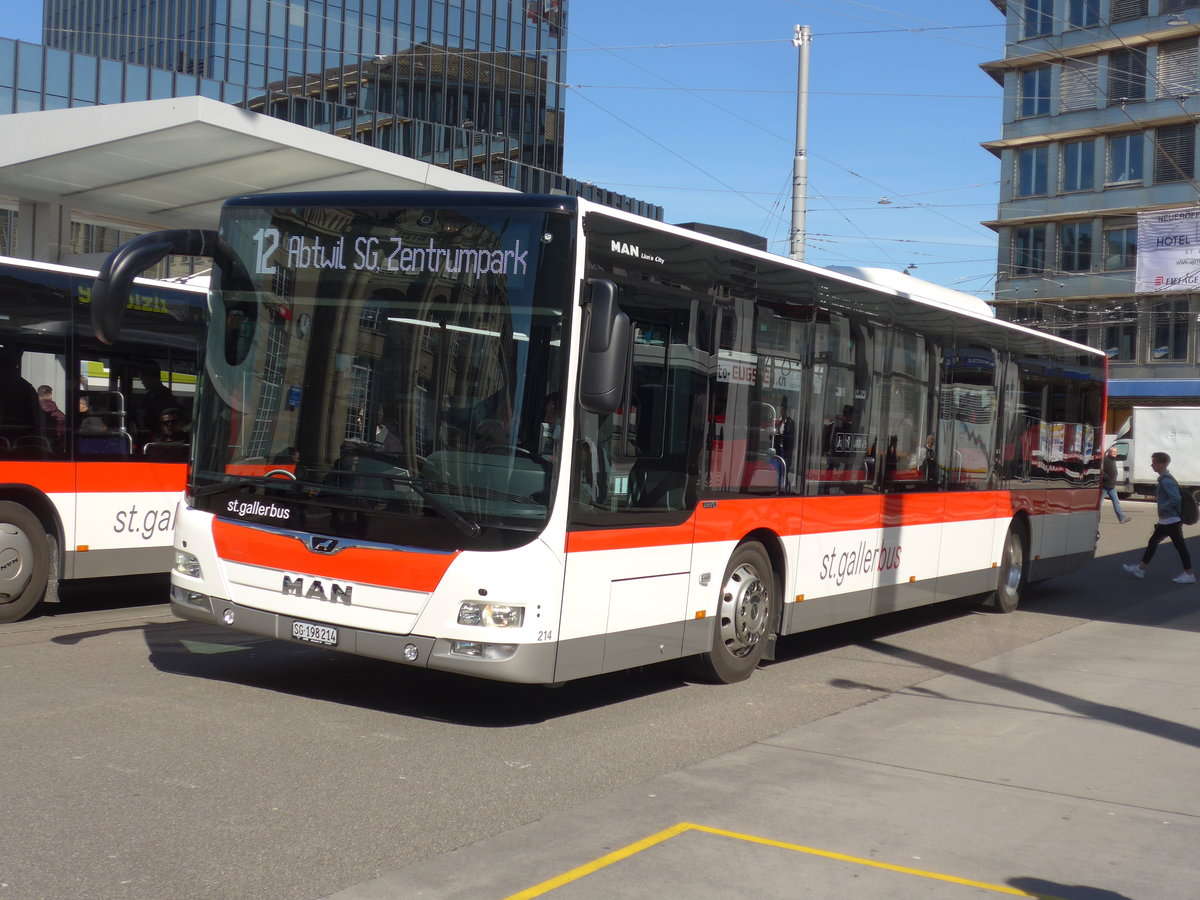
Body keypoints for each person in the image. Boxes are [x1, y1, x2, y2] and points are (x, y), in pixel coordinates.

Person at [1124, 451, 1196, 583]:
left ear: (1162, 464)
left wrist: (1163, 507)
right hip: (1167, 520)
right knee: (1153, 542)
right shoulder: (1165, 478)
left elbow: (1175, 498)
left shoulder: (1166, 480)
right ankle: (1141, 569)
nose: (1152, 465)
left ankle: (1189, 574)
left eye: (1154, 463)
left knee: (1180, 547)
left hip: (1171, 520)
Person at [1102, 445, 1130, 524]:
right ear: (1109, 453)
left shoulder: (1113, 459)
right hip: (1104, 486)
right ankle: (1096, 519)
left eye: (1116, 452)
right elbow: (1101, 470)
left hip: (1111, 486)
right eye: (1113, 452)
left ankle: (1122, 519)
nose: (1115, 453)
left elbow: (1122, 456)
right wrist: (1106, 477)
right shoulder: (1105, 460)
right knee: (1099, 504)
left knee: (1116, 502)